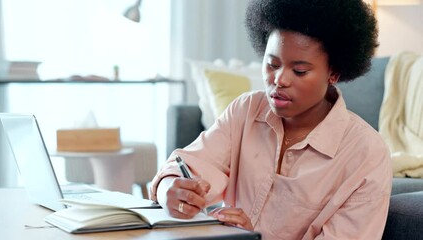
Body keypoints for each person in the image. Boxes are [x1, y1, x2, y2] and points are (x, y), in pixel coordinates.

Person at [150, 0, 392, 239]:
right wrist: (168, 188)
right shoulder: (247, 110)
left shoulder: (366, 154)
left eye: (299, 71)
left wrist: (252, 237)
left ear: (334, 72)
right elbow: (191, 167)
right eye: (272, 64)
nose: (279, 80)